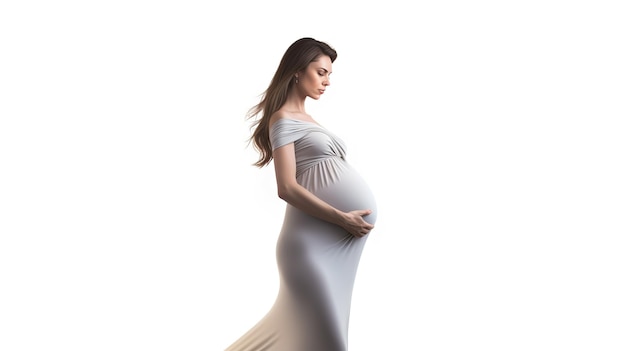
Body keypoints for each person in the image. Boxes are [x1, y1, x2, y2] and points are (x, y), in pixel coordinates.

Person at [224, 37, 378, 351]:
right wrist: (341, 217)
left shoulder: (309, 120)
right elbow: (286, 187)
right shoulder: (283, 119)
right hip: (309, 250)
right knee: (329, 341)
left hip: (337, 248)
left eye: (330, 75)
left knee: (311, 340)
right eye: (321, 72)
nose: (327, 81)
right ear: (297, 70)